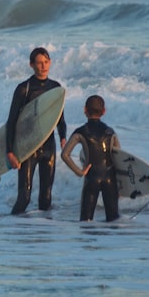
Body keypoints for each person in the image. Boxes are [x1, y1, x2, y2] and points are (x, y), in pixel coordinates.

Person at [6, 47, 66, 214]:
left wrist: (63, 137)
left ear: (50, 62)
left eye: (46, 62)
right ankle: (14, 231)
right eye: (39, 63)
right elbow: (11, 122)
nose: (43, 66)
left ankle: (42, 233)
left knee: (46, 199)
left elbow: (60, 118)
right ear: (31, 64)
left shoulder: (56, 87)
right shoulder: (23, 89)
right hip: (28, 148)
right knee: (24, 198)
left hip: (48, 147)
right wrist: (10, 152)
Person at [61, 94, 120, 222]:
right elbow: (119, 157)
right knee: (114, 220)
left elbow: (65, 154)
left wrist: (80, 172)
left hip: (91, 178)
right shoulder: (111, 132)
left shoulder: (80, 131)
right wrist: (122, 184)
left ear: (85, 110)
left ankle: (87, 241)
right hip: (110, 179)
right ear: (104, 111)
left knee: (86, 221)